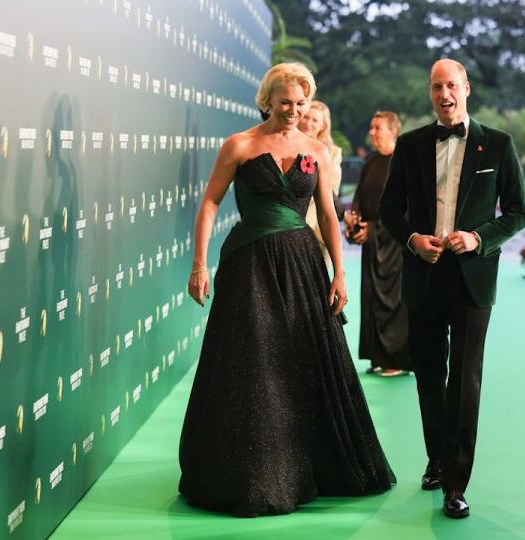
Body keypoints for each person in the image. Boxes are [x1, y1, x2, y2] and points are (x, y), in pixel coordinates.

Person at [179, 62, 394, 517]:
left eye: (301, 103)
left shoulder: (315, 150)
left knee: (300, 360)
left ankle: (304, 469)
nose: (294, 111)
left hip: (301, 264)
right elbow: (210, 202)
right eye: (285, 103)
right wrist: (199, 263)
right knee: (252, 363)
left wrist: (339, 273)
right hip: (248, 264)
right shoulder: (239, 145)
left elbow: (331, 217)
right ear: (267, 101)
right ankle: (253, 474)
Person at [379, 59, 525, 519]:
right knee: (428, 375)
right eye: (435, 87)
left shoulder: (499, 144)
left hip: (472, 277)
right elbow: (390, 209)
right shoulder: (409, 145)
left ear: (466, 87)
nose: (443, 93)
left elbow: (518, 212)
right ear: (430, 93)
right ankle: (437, 459)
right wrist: (411, 240)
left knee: (464, 380)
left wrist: (480, 237)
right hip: (424, 273)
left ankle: (456, 483)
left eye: (451, 85)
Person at [345, 111, 411, 378]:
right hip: (372, 241)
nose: (372, 132)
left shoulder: (403, 163)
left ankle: (397, 359)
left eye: (378, 128)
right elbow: (360, 197)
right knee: (371, 296)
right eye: (371, 127)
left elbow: (406, 209)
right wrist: (355, 221)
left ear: (393, 131)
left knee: (393, 299)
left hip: (394, 243)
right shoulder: (371, 160)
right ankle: (377, 356)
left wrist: (373, 229)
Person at [299, 100, 344, 267]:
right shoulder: (286, 145)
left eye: (315, 120)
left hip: (317, 230)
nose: (308, 123)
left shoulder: (332, 153)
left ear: (323, 126)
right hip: (286, 227)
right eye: (306, 117)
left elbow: (330, 192)